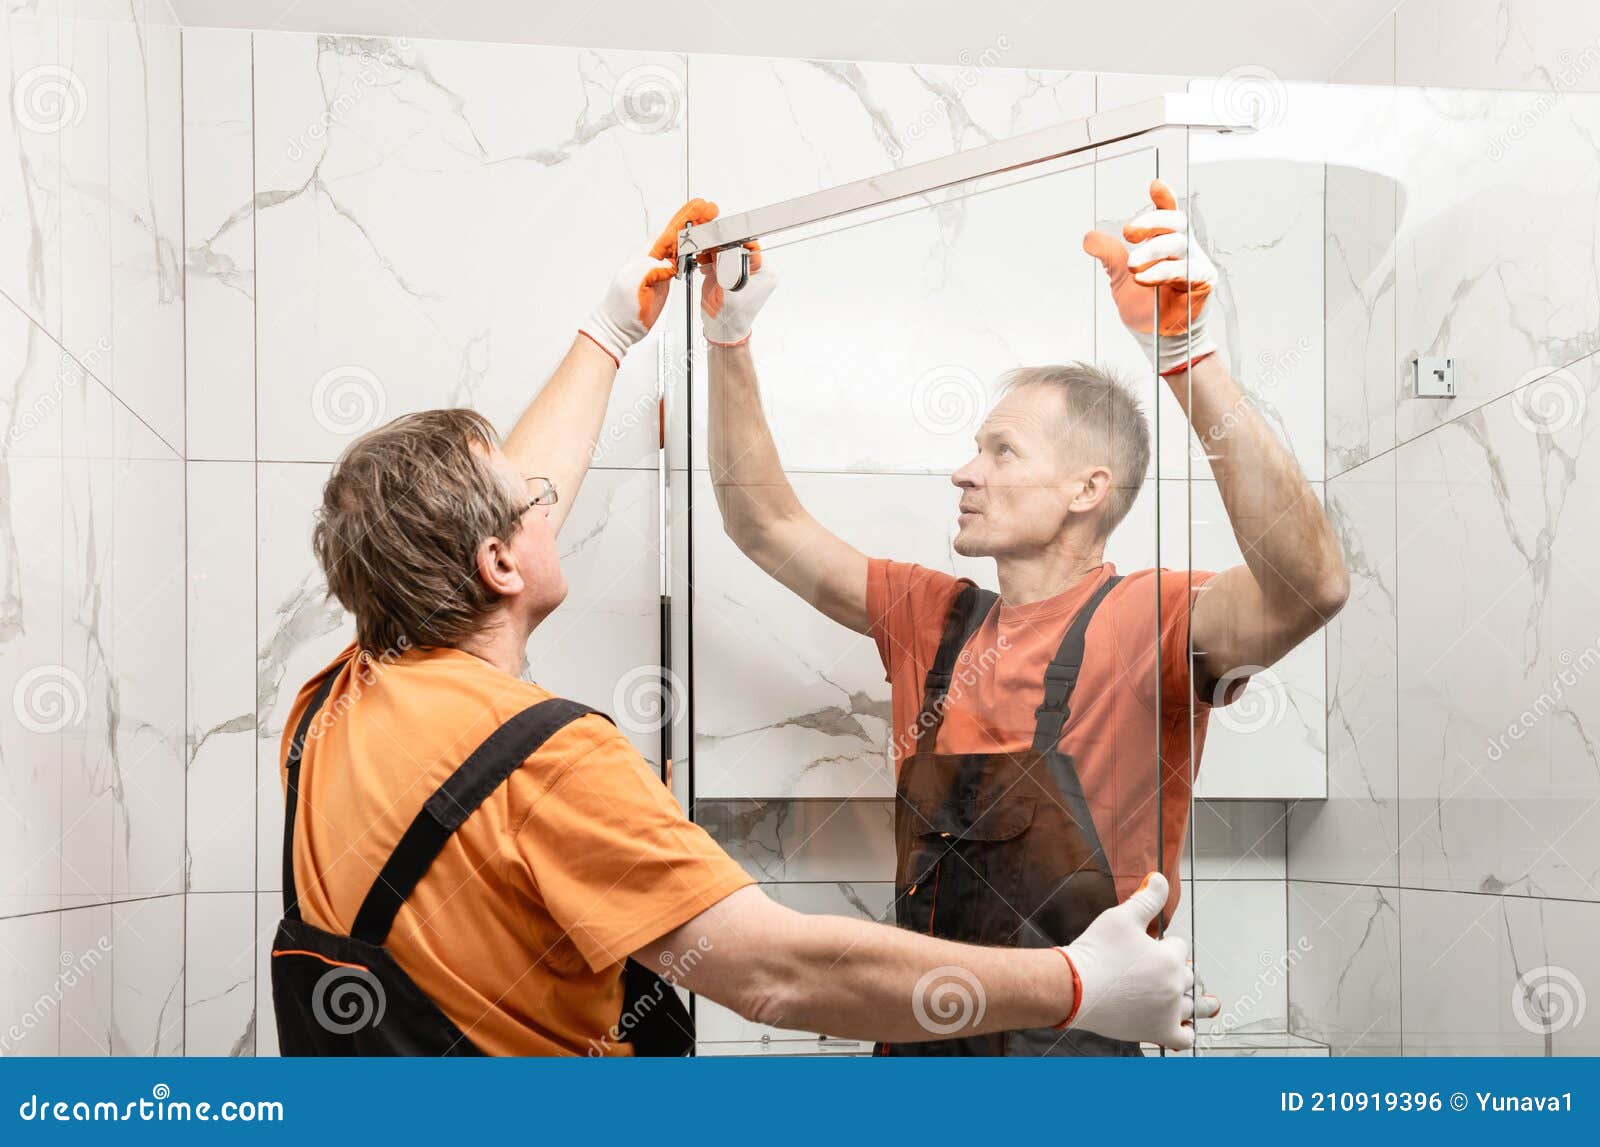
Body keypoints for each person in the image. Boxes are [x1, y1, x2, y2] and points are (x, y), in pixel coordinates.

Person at [269, 201, 1207, 1058]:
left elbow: (460, 524)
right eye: (536, 503)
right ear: (500, 563)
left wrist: (609, 332)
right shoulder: (546, 759)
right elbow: (779, 970)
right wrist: (1080, 983)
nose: (550, 496)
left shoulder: (336, 701)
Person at [703, 180, 1348, 1056]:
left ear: (1089, 489)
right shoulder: (930, 616)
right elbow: (764, 524)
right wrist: (728, 340)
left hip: (1079, 1065)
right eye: (974, 448)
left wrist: (1190, 356)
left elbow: (1311, 585)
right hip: (919, 1052)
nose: (964, 472)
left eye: (1000, 450)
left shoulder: (1154, 617)